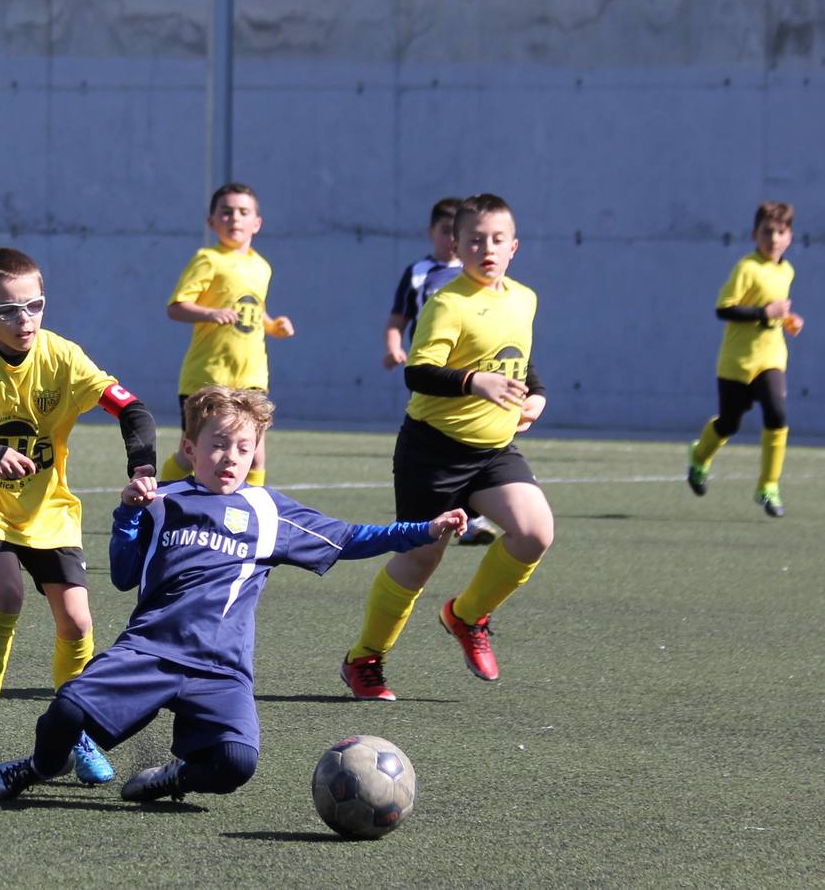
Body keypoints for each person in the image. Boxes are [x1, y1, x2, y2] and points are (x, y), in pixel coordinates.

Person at [0, 386, 466, 803]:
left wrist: (426, 528)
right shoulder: (163, 502)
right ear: (190, 448)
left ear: (256, 452)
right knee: (65, 711)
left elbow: (353, 537)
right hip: (150, 650)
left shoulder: (269, 512)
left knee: (236, 763)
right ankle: (42, 768)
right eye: (218, 444)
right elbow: (125, 577)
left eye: (243, 447)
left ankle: (171, 776)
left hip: (221, 668)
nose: (230, 457)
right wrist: (127, 516)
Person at [0, 247, 157, 794]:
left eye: (35, 306)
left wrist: (141, 467)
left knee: (77, 622)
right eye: (8, 311)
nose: (24, 320)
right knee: (7, 594)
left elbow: (133, 409)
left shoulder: (63, 356)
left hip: (49, 509)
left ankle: (75, 734)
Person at [342, 193, 554, 701]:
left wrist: (538, 396)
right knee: (420, 561)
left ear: (514, 247)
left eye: (497, 240)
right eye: (475, 239)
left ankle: (466, 615)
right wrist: (475, 382)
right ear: (456, 246)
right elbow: (419, 372)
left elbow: (521, 358)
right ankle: (365, 659)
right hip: (432, 452)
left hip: (493, 451)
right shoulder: (447, 302)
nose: (487, 247)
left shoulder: (524, 298)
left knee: (534, 533)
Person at [159, 182, 294, 488]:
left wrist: (274, 326)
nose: (235, 219)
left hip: (251, 376)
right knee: (191, 455)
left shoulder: (262, 267)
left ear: (256, 223)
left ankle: (250, 517)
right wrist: (209, 313)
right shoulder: (208, 259)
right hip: (208, 375)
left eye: (243, 212)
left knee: (256, 455)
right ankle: (158, 507)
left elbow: (253, 309)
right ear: (211, 221)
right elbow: (176, 306)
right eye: (226, 212)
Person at [383, 197, 497, 546]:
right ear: (431, 232)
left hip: (473, 372)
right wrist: (393, 346)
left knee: (470, 441)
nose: (451, 239)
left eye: (457, 232)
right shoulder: (419, 273)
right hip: (434, 372)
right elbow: (398, 318)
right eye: (446, 231)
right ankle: (445, 517)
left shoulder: (478, 275)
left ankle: (473, 513)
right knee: (441, 442)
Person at [686, 201, 804, 517]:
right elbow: (724, 308)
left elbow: (776, 310)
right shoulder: (746, 268)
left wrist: (787, 320)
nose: (774, 239)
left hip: (771, 357)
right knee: (729, 423)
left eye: (781, 232)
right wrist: (766, 313)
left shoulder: (787, 270)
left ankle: (768, 486)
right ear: (754, 234)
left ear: (790, 236)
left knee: (777, 414)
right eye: (767, 232)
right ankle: (700, 456)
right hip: (737, 362)